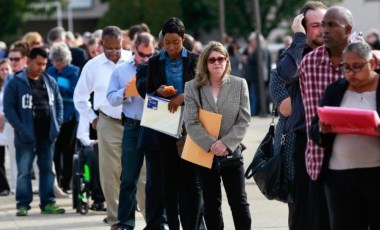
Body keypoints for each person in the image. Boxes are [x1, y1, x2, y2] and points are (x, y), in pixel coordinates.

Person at [309, 41, 380, 229]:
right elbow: (314, 129)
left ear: (371, 64)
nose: (351, 73)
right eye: (346, 67)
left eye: (357, 67)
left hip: (376, 174)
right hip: (339, 176)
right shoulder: (335, 90)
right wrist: (321, 130)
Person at [271, 1, 327, 229]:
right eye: (315, 25)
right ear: (303, 28)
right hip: (298, 148)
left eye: (326, 24)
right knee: (301, 216)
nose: (322, 30)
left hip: (332, 148)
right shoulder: (288, 60)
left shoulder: (336, 58)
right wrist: (298, 41)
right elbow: (286, 107)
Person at [184, 41, 251, 229]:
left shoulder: (239, 84)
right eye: (212, 59)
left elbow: (244, 120)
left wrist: (225, 144)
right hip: (205, 154)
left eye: (221, 59)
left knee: (239, 202)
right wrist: (212, 144)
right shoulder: (192, 87)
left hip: (232, 152)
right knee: (212, 204)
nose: (217, 63)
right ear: (205, 63)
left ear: (227, 61)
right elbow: (191, 122)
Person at [299, 6, 354, 229]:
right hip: (320, 159)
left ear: (348, 29)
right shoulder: (308, 64)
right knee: (321, 222)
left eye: (332, 25)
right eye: (323, 25)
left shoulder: (366, 62)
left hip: (360, 160)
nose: (325, 30)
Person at [74, 25, 132, 229]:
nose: (115, 53)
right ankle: (115, 218)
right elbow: (80, 97)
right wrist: (92, 118)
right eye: (110, 48)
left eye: (118, 47)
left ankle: (146, 213)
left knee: (139, 170)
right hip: (107, 122)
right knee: (110, 172)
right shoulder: (93, 66)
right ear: (101, 45)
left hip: (133, 121)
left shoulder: (132, 60)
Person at [146, 17, 202, 230]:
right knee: (169, 180)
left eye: (175, 42)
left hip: (192, 124)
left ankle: (193, 225)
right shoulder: (154, 61)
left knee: (192, 181)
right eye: (167, 43)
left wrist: (183, 96)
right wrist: (158, 92)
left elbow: (203, 88)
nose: (171, 47)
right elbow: (148, 91)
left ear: (183, 39)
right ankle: (174, 226)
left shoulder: (196, 60)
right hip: (165, 124)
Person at [3, 47, 65, 216]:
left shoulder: (50, 81)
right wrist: (21, 128)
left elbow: (59, 104)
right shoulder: (16, 82)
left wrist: (57, 124)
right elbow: (9, 109)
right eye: (38, 63)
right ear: (28, 61)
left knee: (47, 169)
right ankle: (23, 204)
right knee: (24, 171)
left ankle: (48, 202)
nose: (42, 67)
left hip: (47, 134)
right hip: (25, 136)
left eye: (44, 64)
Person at [106, 32, 155, 229]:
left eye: (150, 55)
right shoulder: (121, 70)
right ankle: (126, 222)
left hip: (154, 125)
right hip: (133, 125)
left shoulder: (158, 66)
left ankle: (157, 221)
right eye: (142, 55)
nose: (146, 59)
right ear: (134, 49)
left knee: (155, 177)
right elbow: (110, 98)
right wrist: (125, 93)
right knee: (129, 177)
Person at [47, 42, 80, 193]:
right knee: (55, 150)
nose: (57, 64)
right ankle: (57, 183)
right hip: (53, 116)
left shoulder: (74, 70)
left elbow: (74, 90)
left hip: (71, 116)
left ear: (66, 59)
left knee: (68, 150)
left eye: (59, 60)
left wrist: (57, 85)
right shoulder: (49, 70)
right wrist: (62, 86)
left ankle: (67, 184)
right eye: (54, 61)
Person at [76, 112, 106, 211]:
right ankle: (98, 198)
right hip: (91, 145)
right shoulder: (87, 110)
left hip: (112, 143)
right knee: (93, 154)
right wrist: (92, 142)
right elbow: (82, 134)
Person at [0, 58, 11, 196]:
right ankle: (3, 186)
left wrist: (4, 117)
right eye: (2, 69)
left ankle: (13, 186)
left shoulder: (13, 83)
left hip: (9, 122)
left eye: (7, 69)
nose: (4, 72)